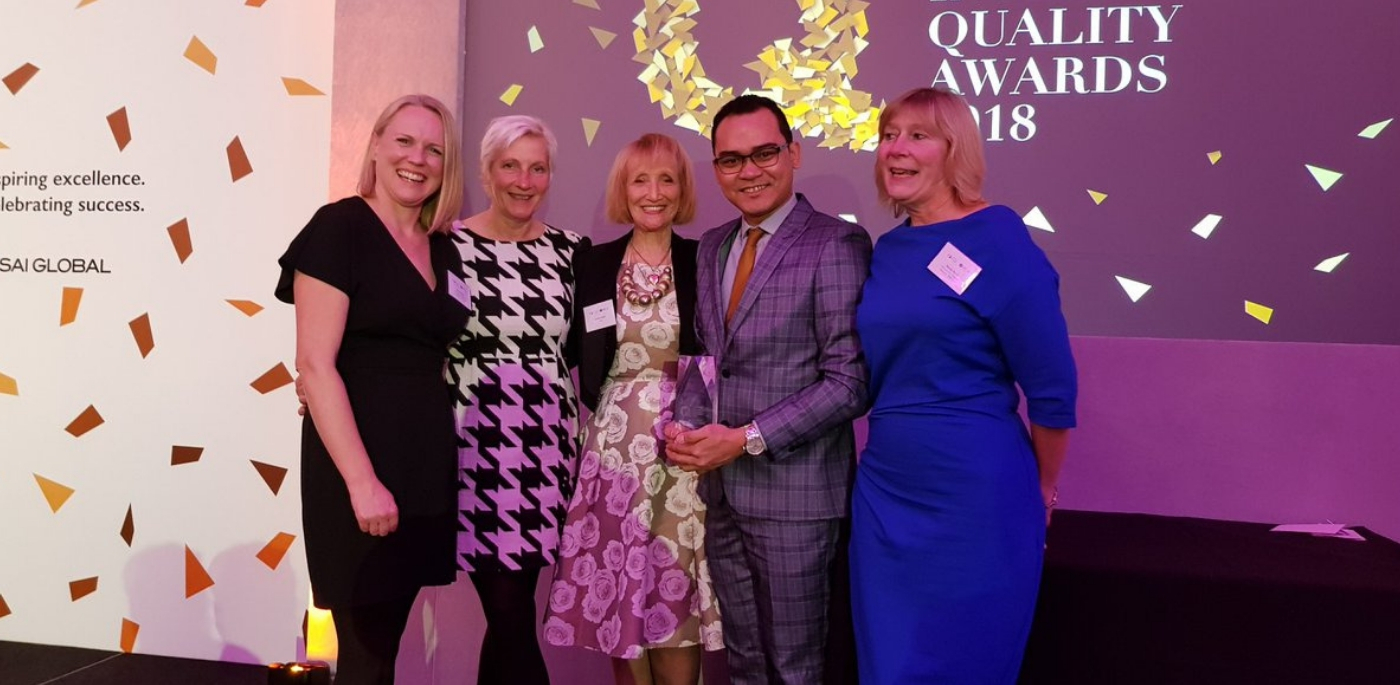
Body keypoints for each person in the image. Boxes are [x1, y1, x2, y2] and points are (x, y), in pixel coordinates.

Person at [850, 86, 1078, 684]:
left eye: (917, 136)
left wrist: (1043, 490)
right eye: (888, 135)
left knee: (963, 665)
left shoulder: (997, 237)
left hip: (975, 496)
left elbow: (1053, 388)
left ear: (955, 150)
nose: (896, 149)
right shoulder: (890, 250)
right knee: (889, 666)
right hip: (886, 492)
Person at [665, 94, 871, 685]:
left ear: (794, 154)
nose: (749, 171)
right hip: (722, 494)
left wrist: (745, 439)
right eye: (731, 160)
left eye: (764, 154)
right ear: (716, 168)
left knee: (795, 669)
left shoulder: (835, 243)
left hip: (797, 499)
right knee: (745, 664)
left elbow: (849, 382)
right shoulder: (712, 246)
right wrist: (686, 424)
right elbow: (711, 359)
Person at [275, 94, 467, 685]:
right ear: (377, 145)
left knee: (385, 645)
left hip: (422, 462)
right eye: (404, 141)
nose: (417, 159)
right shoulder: (339, 228)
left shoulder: (443, 245)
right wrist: (362, 485)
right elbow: (314, 365)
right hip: (358, 464)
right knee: (365, 653)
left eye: (434, 149)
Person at [544, 133, 722, 685]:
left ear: (682, 190)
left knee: (673, 596)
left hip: (683, 451)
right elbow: (564, 349)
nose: (654, 192)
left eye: (667, 179)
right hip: (612, 453)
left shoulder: (703, 259)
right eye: (640, 180)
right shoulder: (592, 264)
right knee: (618, 598)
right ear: (622, 190)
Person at [448, 114, 587, 685]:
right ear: (486, 171)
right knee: (507, 608)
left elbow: (588, 348)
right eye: (510, 166)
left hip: (545, 445)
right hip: (473, 441)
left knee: (513, 606)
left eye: (538, 168)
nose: (524, 181)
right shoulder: (448, 246)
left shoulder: (571, 252)